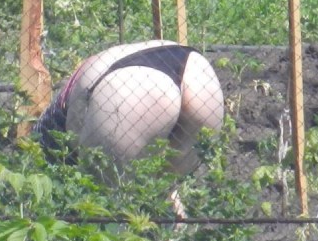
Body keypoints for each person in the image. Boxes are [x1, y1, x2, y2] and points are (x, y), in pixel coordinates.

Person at [33, 40, 224, 178]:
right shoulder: (63, 101)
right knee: (163, 197)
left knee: (108, 212)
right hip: (194, 69)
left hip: (127, 86)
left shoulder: (44, 138)